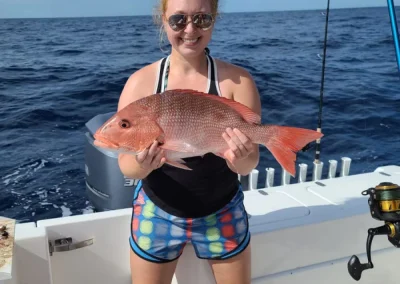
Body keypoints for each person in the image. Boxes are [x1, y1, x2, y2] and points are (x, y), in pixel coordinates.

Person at [117, 0, 261, 283]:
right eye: (178, 20)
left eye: (202, 19)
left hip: (222, 211)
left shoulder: (237, 81)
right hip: (157, 212)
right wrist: (141, 163)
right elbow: (126, 168)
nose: (190, 29)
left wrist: (241, 157)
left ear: (214, 19)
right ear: (163, 20)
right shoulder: (140, 83)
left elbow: (248, 165)